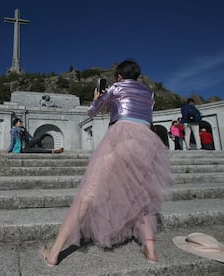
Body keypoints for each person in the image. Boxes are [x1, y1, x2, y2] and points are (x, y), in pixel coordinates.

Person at [39, 60, 173, 266]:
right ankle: (151, 249)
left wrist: (97, 99)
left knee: (89, 193)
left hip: (120, 137)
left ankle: (55, 251)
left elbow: (92, 112)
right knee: (141, 195)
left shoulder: (116, 87)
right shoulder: (149, 93)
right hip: (146, 142)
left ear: (119, 76)